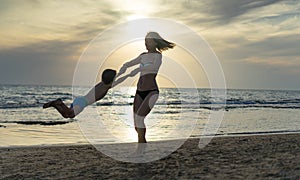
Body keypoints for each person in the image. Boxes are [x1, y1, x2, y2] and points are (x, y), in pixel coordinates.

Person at [117, 32, 175, 144]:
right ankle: (142, 144)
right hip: (139, 91)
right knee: (136, 124)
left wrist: (139, 69)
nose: (146, 44)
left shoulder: (157, 56)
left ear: (155, 42)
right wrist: (124, 66)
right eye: (145, 42)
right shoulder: (143, 55)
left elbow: (153, 67)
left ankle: (141, 148)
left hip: (151, 92)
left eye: (148, 42)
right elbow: (131, 63)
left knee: (140, 119)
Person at [43, 68, 139, 118]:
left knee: (66, 115)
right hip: (82, 103)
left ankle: (55, 105)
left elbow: (117, 76)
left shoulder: (102, 83)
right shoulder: (106, 87)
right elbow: (120, 80)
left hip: (80, 100)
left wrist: (123, 71)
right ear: (112, 80)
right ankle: (59, 103)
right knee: (70, 114)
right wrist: (130, 74)